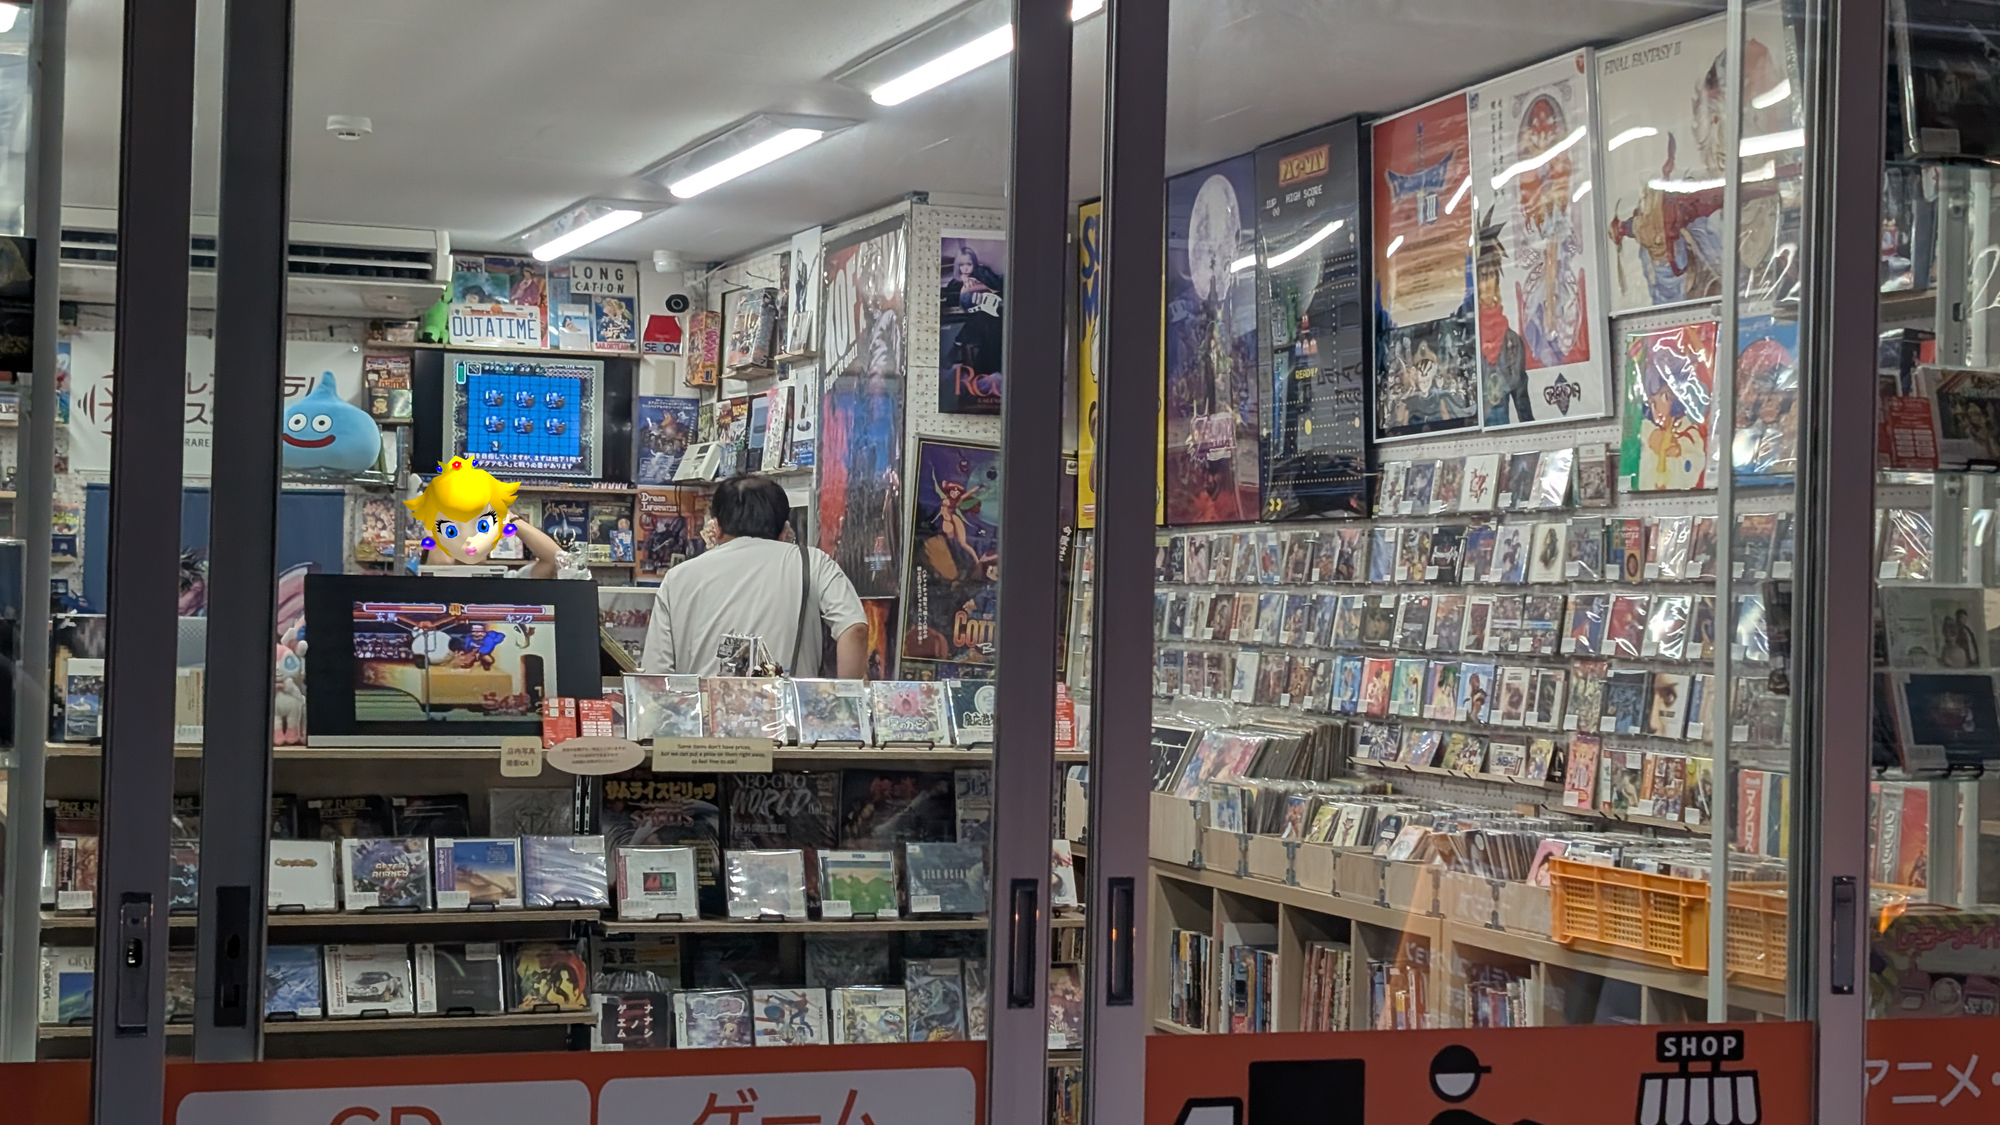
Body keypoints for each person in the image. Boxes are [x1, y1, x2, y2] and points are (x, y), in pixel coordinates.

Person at [641, 473, 868, 678]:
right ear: (784, 531)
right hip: (788, 719)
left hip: (706, 717)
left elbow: (656, 673)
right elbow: (855, 629)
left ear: (717, 528)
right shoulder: (813, 563)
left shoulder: (678, 577)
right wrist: (847, 699)